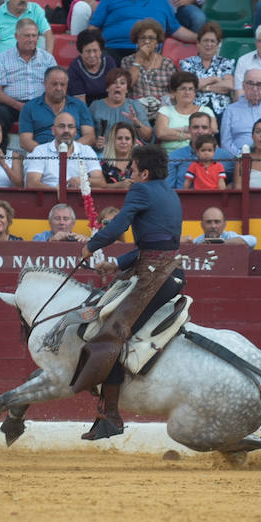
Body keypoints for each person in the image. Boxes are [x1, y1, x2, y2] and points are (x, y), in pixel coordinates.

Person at [74, 144, 187, 440]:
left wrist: (92, 246)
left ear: (144, 173)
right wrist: (117, 264)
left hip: (153, 280)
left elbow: (119, 226)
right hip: (167, 273)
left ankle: (110, 416)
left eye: (132, 170)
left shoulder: (141, 190)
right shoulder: (169, 192)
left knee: (112, 332)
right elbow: (157, 244)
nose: (128, 175)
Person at [0, 0, 53, 118]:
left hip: (30, 57)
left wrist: (47, 56)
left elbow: (48, 34)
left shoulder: (36, 10)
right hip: (0, 59)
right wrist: (6, 60)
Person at [0, 19, 57, 132]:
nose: (31, 40)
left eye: (34, 36)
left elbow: (55, 87)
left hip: (40, 104)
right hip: (11, 105)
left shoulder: (48, 59)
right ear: (16, 36)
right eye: (27, 36)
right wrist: (18, 105)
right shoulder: (2, 58)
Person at [89, 0, 197, 61]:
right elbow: (93, 27)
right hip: (113, 50)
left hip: (149, 51)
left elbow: (176, 29)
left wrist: (200, 38)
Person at [19, 66, 96, 153]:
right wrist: (47, 154)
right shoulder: (29, 107)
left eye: (62, 84)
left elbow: (90, 137)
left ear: (67, 85)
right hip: (42, 158)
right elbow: (25, 141)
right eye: (54, 84)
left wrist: (69, 151)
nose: (59, 88)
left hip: (74, 156)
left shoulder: (79, 106)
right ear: (45, 84)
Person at [25, 113, 107, 190]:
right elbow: (31, 183)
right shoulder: (40, 151)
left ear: (75, 132)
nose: (66, 130)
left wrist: (82, 181)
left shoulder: (86, 151)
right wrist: (57, 191)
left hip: (78, 200)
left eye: (70, 127)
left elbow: (101, 182)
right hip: (48, 200)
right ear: (53, 130)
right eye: (61, 126)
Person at [120, 19, 179, 120]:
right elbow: (127, 86)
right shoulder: (127, 61)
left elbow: (175, 91)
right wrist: (138, 60)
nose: (147, 41)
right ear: (137, 41)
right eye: (142, 38)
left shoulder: (167, 63)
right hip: (136, 112)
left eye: (151, 38)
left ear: (157, 43)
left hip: (162, 112)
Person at [180, 21, 236, 123]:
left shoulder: (225, 63)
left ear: (218, 44)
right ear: (198, 43)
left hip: (221, 110)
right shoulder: (187, 63)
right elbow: (188, 86)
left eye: (212, 41)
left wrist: (204, 87)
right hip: (195, 110)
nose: (209, 44)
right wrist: (213, 79)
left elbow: (229, 85)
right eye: (205, 40)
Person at [88, 68, 153, 150]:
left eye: (122, 83)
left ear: (127, 90)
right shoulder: (95, 106)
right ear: (107, 88)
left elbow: (148, 137)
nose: (118, 86)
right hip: (103, 153)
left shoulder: (135, 105)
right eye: (114, 83)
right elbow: (87, 135)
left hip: (131, 154)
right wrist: (96, 143)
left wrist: (137, 122)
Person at [155, 71, 217, 152]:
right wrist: (189, 136)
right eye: (183, 89)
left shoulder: (205, 110)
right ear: (173, 92)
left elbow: (212, 131)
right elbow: (161, 133)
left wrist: (176, 130)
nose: (187, 92)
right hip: (170, 157)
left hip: (199, 156)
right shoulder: (165, 111)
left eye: (191, 89)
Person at [169, 111, 235, 188]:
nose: (200, 131)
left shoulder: (224, 155)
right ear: (189, 130)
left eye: (204, 127)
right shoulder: (175, 155)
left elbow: (237, 181)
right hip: (184, 199)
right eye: (195, 127)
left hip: (214, 199)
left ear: (210, 131)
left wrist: (226, 189)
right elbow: (169, 187)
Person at [68, 29, 117, 105]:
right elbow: (80, 103)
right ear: (81, 52)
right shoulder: (75, 68)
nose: (92, 55)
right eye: (88, 51)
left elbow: (114, 91)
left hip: (108, 106)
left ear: (101, 51)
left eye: (95, 51)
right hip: (86, 108)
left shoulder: (109, 62)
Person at [186, 206, 256, 247]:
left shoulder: (230, 236)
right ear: (202, 225)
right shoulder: (198, 242)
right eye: (208, 222)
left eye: (217, 222)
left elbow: (253, 240)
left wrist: (221, 244)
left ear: (224, 225)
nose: (213, 226)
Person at [100, 122, 136, 188]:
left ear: (132, 142)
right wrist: (118, 186)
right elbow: (97, 187)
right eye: (119, 138)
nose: (123, 142)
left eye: (127, 138)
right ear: (112, 141)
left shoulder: (139, 163)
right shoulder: (102, 165)